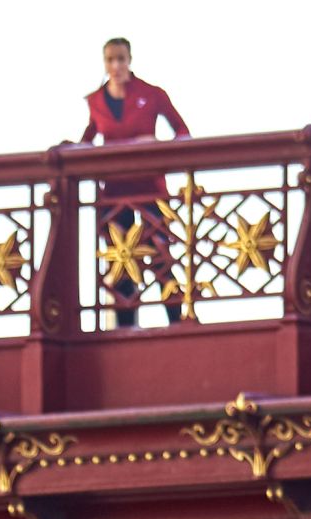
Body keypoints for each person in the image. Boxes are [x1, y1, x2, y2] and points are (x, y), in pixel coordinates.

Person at [75, 37, 191, 328]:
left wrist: (154, 144)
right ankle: (126, 325)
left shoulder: (152, 95)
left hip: (150, 188)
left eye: (121, 59)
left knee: (160, 255)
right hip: (114, 194)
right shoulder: (96, 102)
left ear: (129, 60)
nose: (115, 66)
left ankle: (177, 321)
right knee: (122, 259)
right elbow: (87, 141)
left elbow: (182, 132)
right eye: (110, 60)